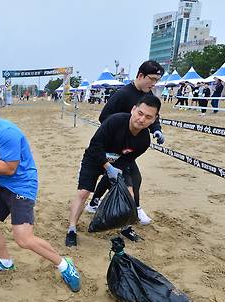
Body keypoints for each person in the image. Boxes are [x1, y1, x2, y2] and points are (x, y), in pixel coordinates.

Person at [0, 85, 81, 293]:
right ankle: (6, 262)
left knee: (23, 238)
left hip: (22, 185)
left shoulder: (7, 132)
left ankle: (64, 265)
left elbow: (9, 168)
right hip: (2, 184)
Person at [66, 95, 161, 247]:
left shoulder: (144, 140)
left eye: (148, 117)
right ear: (133, 110)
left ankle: (125, 227)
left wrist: (116, 172)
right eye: (140, 113)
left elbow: (128, 159)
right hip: (94, 158)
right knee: (83, 192)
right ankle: (71, 229)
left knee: (129, 193)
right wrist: (107, 167)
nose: (142, 119)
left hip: (118, 163)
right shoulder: (114, 121)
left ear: (154, 120)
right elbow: (95, 145)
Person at [84, 60, 165, 237]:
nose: (153, 84)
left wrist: (156, 130)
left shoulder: (147, 93)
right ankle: (134, 208)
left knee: (118, 173)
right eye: (152, 79)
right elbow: (104, 117)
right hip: (112, 145)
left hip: (130, 146)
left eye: (157, 81)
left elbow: (152, 116)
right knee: (131, 176)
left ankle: (95, 202)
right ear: (140, 75)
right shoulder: (123, 94)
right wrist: (120, 129)